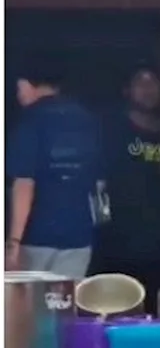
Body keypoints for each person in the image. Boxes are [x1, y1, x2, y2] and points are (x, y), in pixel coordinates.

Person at [7, 60, 102, 278]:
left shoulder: (29, 121)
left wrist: (13, 243)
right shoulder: (87, 119)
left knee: (31, 308)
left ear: (27, 84)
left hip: (36, 238)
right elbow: (99, 182)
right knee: (65, 307)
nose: (18, 95)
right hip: (79, 236)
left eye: (18, 88)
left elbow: (24, 183)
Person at [91, 65, 160, 310]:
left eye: (153, 82)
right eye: (140, 82)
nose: (148, 90)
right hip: (118, 238)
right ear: (126, 90)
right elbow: (97, 182)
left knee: (156, 307)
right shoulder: (111, 128)